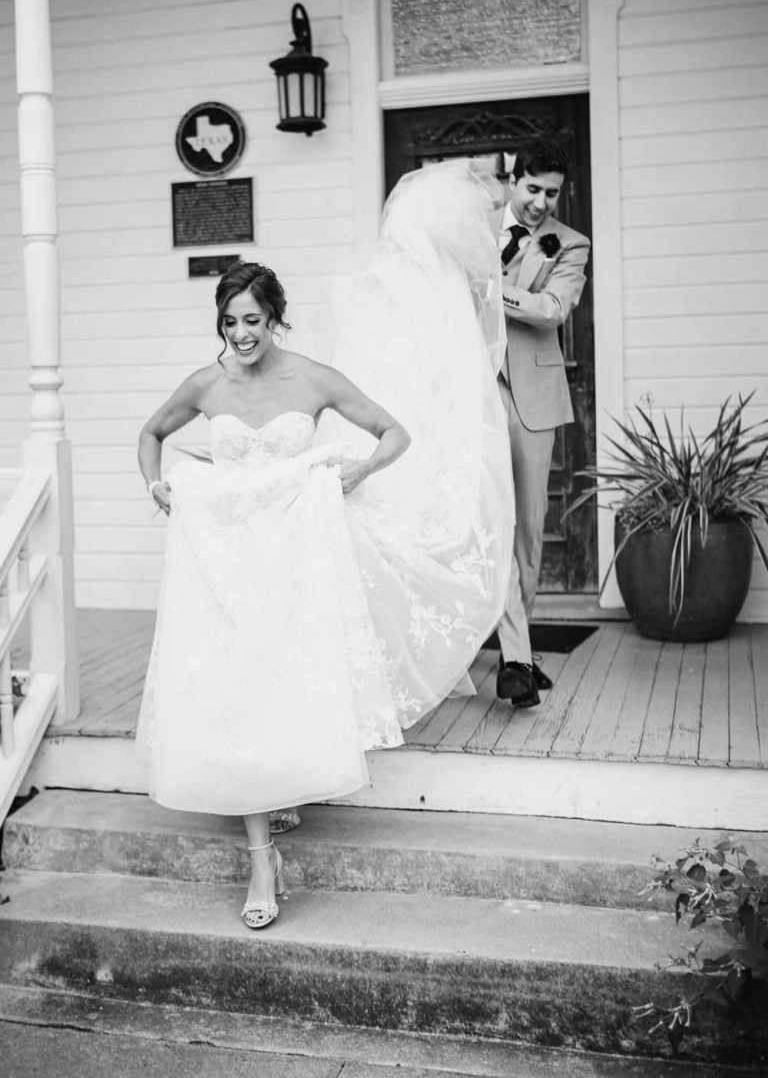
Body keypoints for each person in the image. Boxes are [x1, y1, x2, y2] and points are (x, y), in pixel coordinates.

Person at [135, 159, 515, 931]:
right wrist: (157, 484)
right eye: (230, 322)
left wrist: (353, 474)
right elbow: (150, 435)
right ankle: (258, 855)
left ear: (276, 319)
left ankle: (278, 799)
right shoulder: (204, 387)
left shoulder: (312, 378)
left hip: (297, 557)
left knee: (281, 681)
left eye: (253, 321)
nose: (240, 335)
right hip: (221, 562)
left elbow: (393, 432)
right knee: (235, 685)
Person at [493, 141, 590, 709]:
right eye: (532, 189)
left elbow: (552, 308)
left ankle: (516, 653)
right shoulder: (470, 227)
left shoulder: (570, 243)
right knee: (479, 520)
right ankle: (518, 658)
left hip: (532, 395)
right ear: (515, 179)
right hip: (466, 394)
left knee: (527, 529)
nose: (540, 202)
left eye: (551, 193)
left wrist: (486, 286)